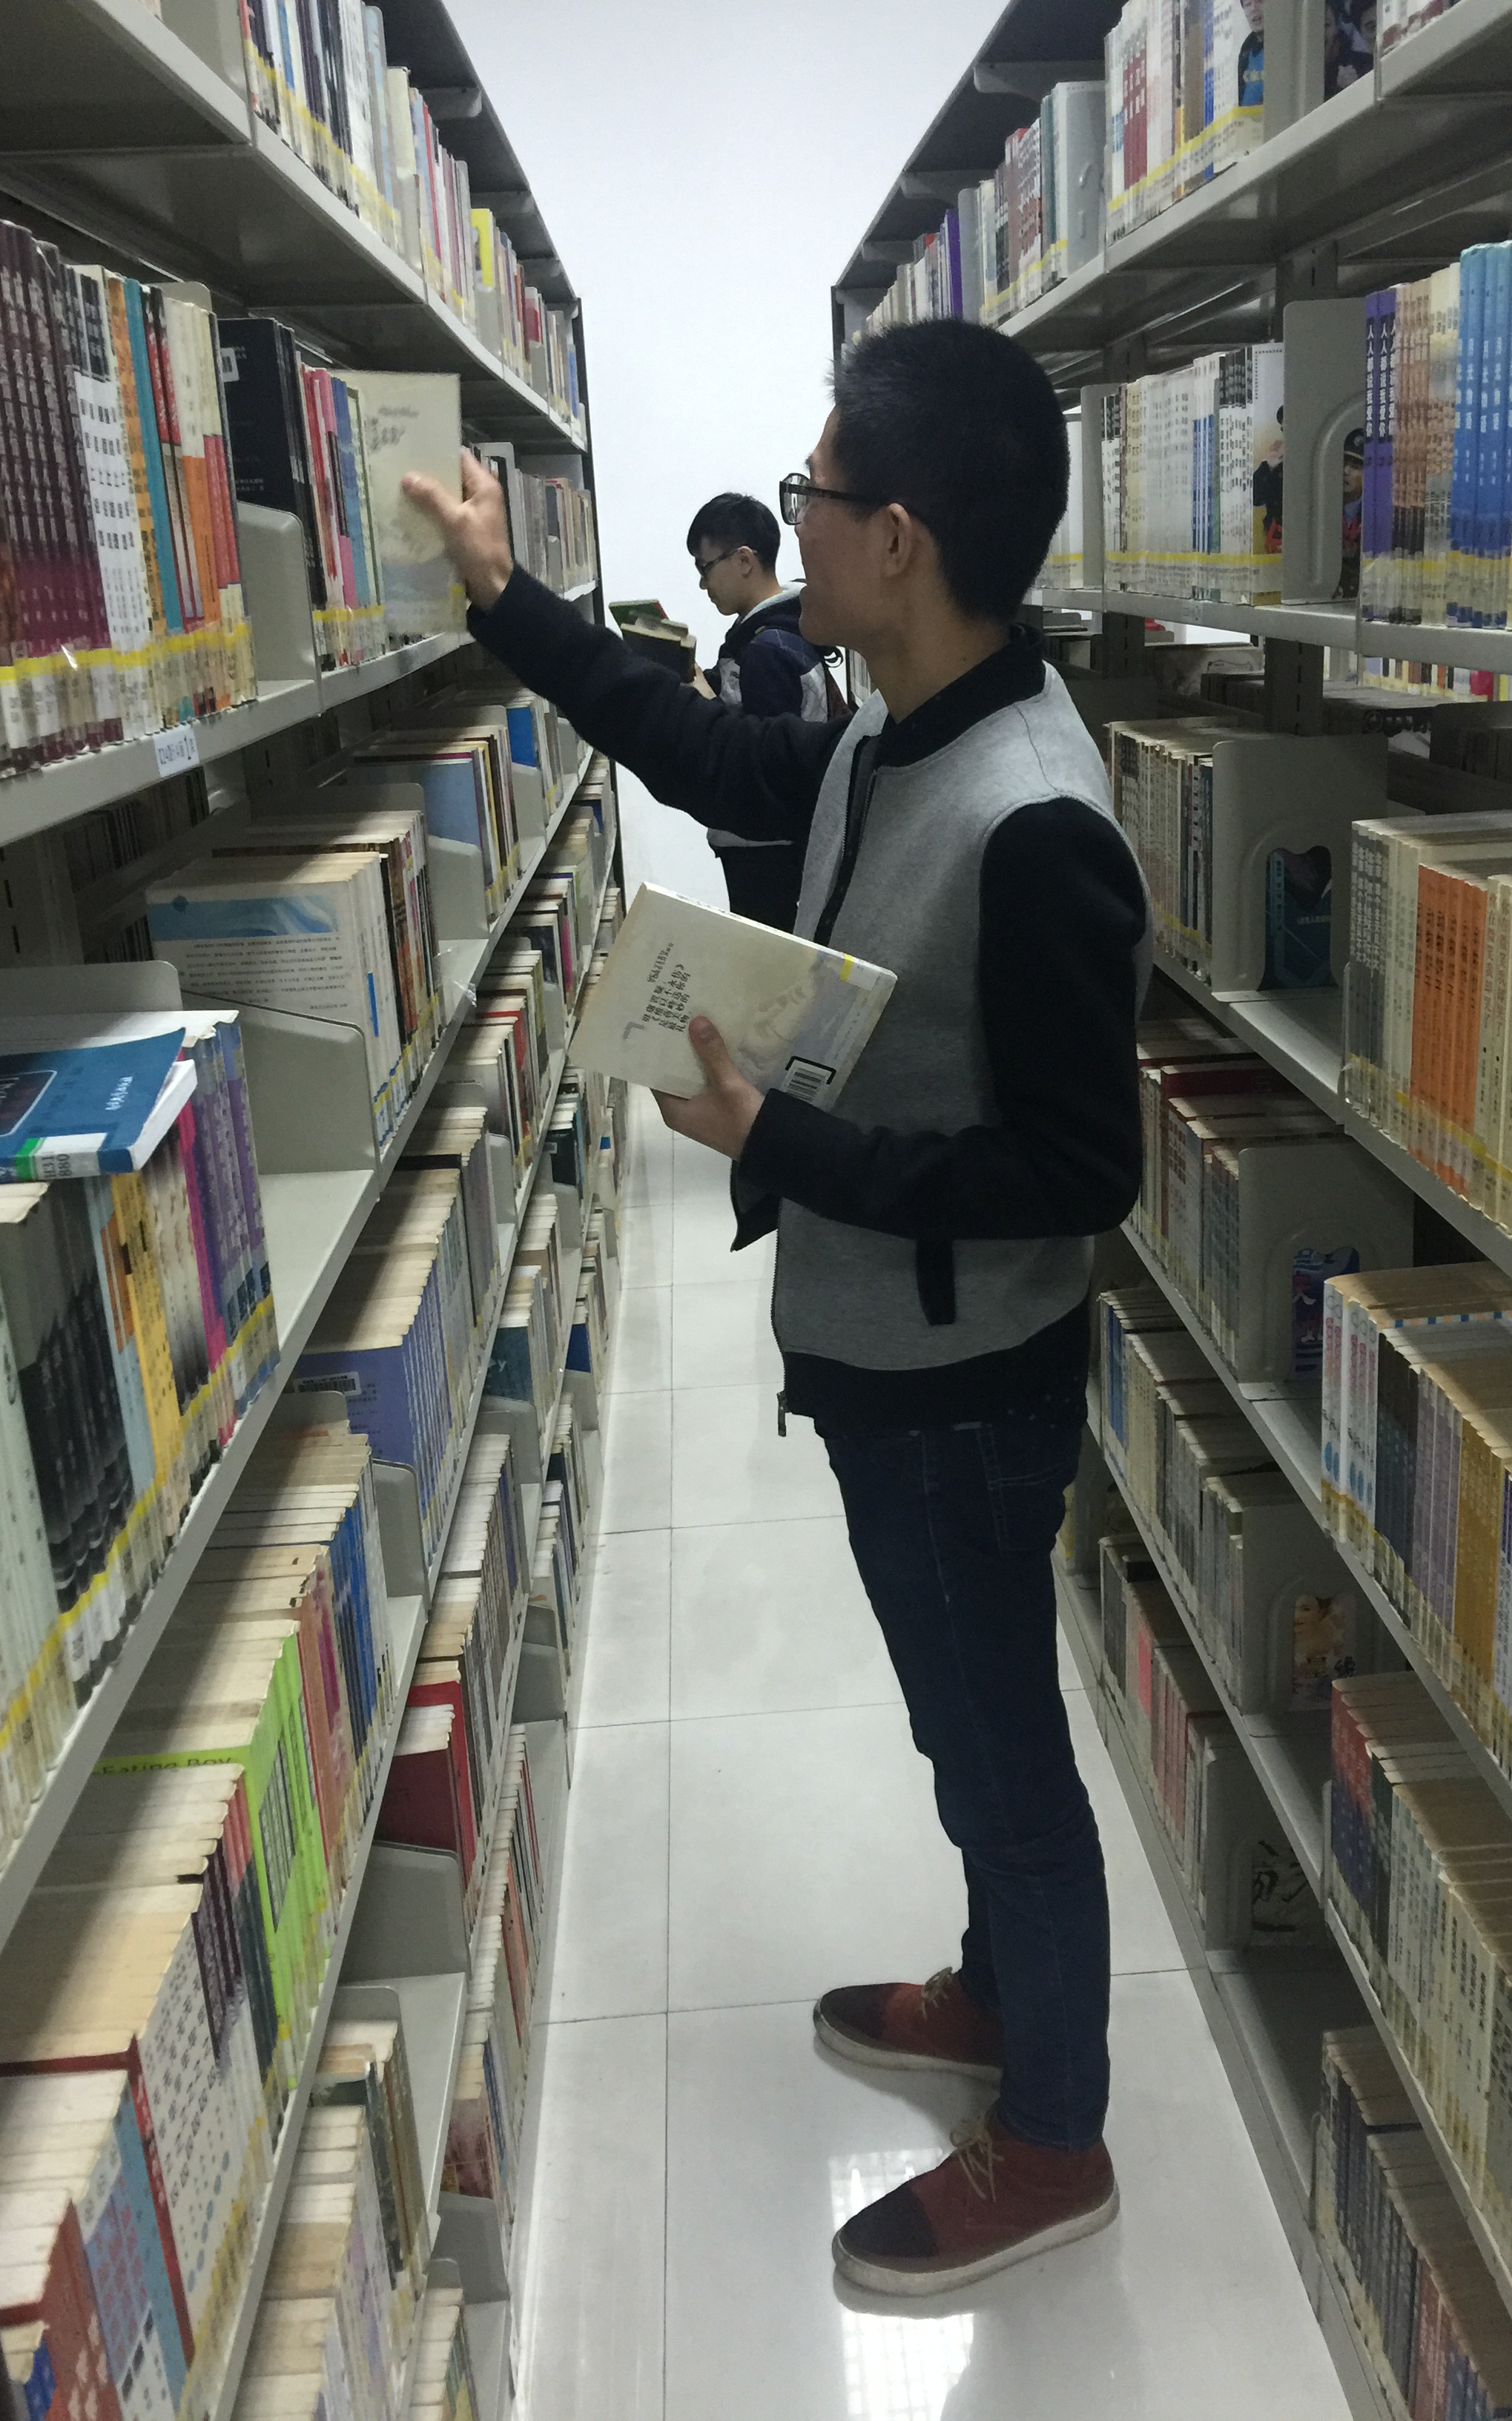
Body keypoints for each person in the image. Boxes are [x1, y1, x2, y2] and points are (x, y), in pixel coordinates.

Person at [403, 317, 1152, 2297]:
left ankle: (1054, 2136)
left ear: (896, 537)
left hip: (965, 1383)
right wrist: (506, 600)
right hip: (893, 1351)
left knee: (999, 1751)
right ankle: (1000, 1989)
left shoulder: (1034, 817)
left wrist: (782, 1140)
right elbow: (714, 751)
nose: (792, 516)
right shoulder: (891, 727)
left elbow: (1080, 1174)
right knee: (961, 1723)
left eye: (815, 492)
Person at [687, 490, 835, 929]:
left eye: (705, 568)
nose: (702, 584)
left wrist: (703, 702)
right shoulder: (774, 631)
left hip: (768, 849)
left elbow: (760, 761)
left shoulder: (767, 650)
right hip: (768, 844)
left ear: (744, 560)